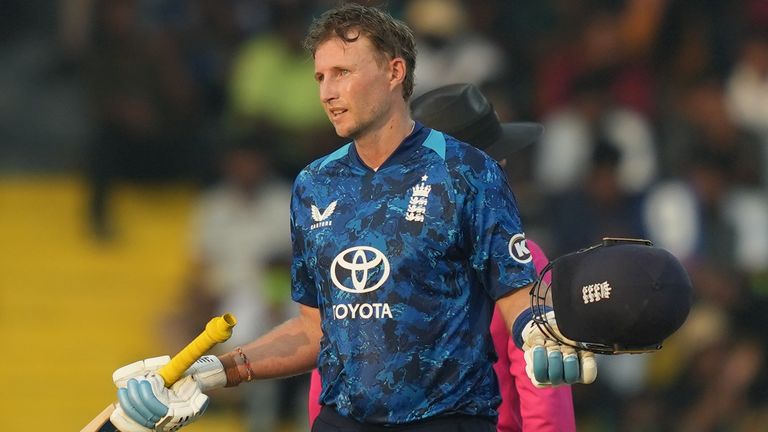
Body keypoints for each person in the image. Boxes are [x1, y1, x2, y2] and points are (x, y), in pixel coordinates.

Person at [107, 5, 597, 432]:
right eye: (320, 77)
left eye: (342, 72)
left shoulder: (469, 170)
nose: (326, 92)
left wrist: (542, 334)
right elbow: (313, 330)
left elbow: (517, 295)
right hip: (343, 423)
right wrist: (216, 370)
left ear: (394, 72)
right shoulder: (313, 184)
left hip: (448, 420)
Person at [305, 83, 576, 431]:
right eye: (497, 162)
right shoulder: (517, 255)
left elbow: (333, 376)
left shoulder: (362, 252)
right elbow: (543, 382)